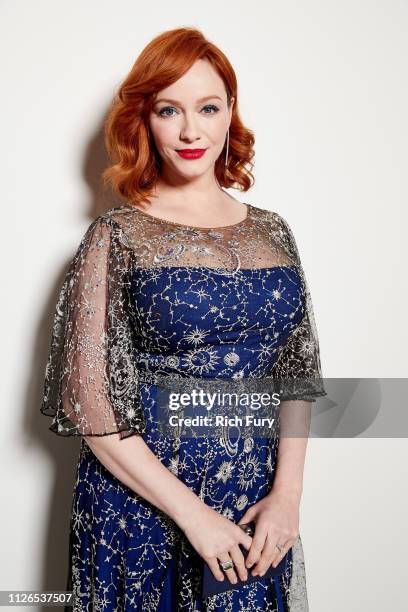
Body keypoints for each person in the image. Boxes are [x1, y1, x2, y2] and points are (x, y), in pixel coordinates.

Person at [41, 26, 326, 611]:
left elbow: (296, 369)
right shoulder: (115, 236)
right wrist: (195, 517)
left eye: (208, 107)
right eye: (169, 109)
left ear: (229, 116)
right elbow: (92, 407)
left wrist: (288, 495)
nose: (191, 130)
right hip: (143, 504)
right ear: (144, 121)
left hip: (254, 496)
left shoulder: (273, 231)